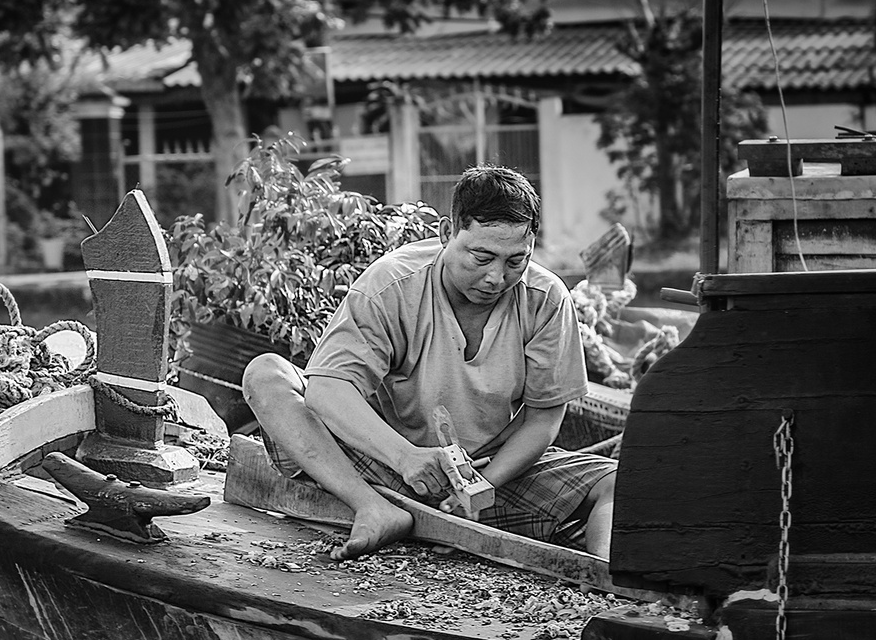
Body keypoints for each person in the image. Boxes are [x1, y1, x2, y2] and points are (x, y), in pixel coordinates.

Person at [242, 164, 617, 561]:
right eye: (482, 257)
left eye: (515, 261)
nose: (495, 278)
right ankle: (373, 508)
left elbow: (543, 419)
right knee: (266, 374)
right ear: (446, 234)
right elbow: (328, 389)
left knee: (617, 484)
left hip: (490, 473)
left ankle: (610, 589)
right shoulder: (391, 284)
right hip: (382, 463)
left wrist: (477, 490)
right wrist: (406, 458)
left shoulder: (546, 299)